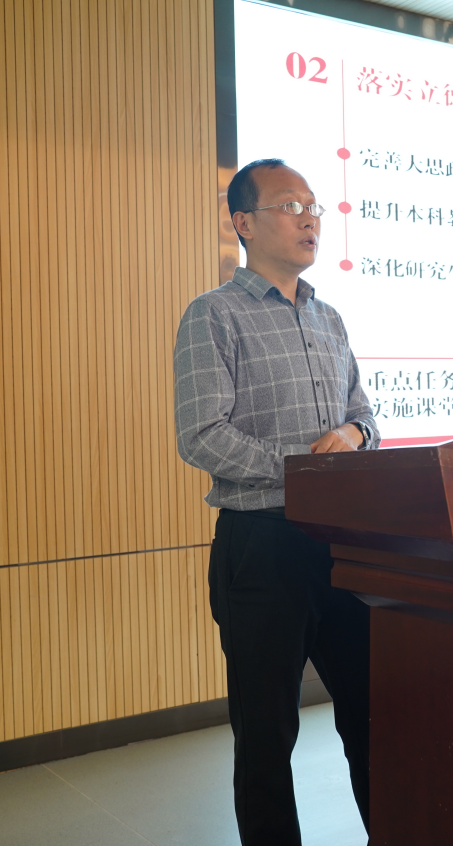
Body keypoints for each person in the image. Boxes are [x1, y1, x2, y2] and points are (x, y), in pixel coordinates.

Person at [173, 158, 379, 845]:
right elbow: (201, 434)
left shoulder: (330, 319)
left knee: (374, 716)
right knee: (266, 736)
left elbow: (365, 420)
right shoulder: (213, 315)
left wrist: (355, 435)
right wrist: (303, 471)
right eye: (291, 205)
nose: (309, 218)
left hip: (346, 548)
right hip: (261, 547)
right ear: (243, 222)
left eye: (313, 206)